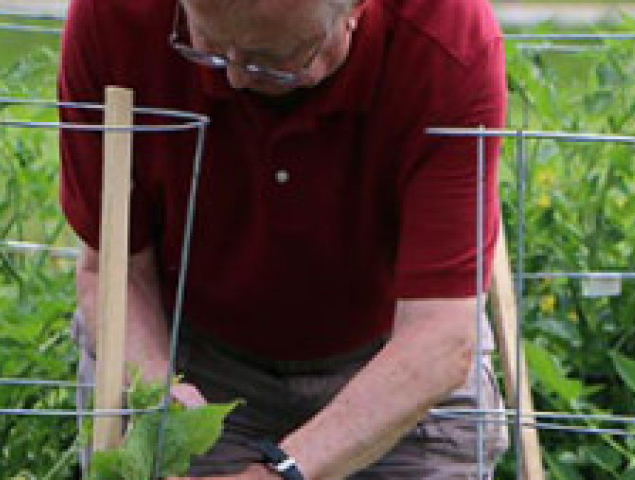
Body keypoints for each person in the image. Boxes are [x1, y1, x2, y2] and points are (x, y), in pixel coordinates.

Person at [59, 0, 507, 478]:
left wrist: (282, 473)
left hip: (392, 362)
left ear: (354, 10)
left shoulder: (446, 39)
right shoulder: (115, 15)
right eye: (207, 45)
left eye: (269, 59)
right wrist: (158, 390)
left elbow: (439, 336)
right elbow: (111, 271)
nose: (233, 76)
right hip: (190, 349)